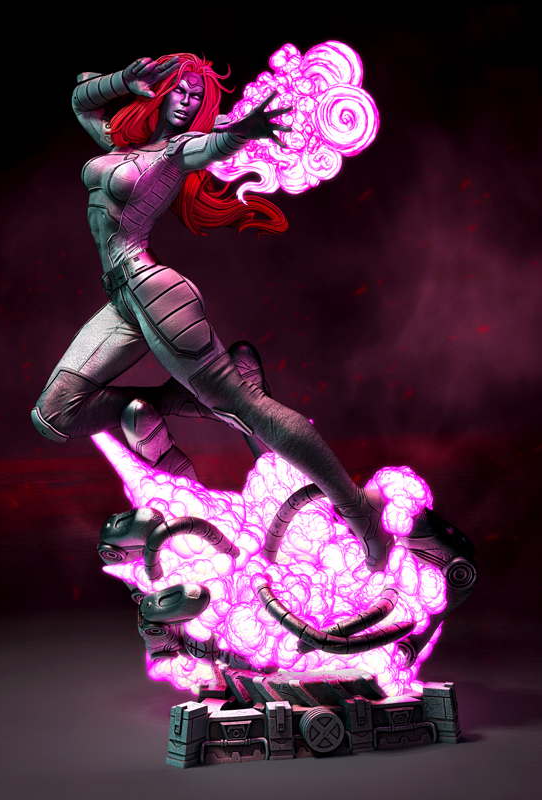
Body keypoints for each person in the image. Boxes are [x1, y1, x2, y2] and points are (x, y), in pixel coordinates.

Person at [30, 54, 390, 570]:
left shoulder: (177, 151)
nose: (188, 101)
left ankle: (360, 513)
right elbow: (80, 98)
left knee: (248, 409)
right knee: (53, 414)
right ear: (161, 90)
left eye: (198, 96)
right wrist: (125, 79)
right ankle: (180, 403)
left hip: (153, 290)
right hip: (122, 300)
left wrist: (244, 131)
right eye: (181, 89)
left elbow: (213, 144)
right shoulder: (121, 145)